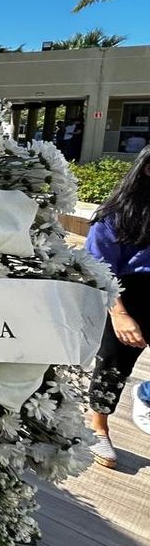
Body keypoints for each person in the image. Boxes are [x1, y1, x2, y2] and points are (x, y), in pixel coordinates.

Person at [87, 145, 150, 469]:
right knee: (113, 364)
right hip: (130, 293)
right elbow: (99, 269)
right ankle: (98, 426)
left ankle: (146, 395)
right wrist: (120, 313)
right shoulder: (116, 215)